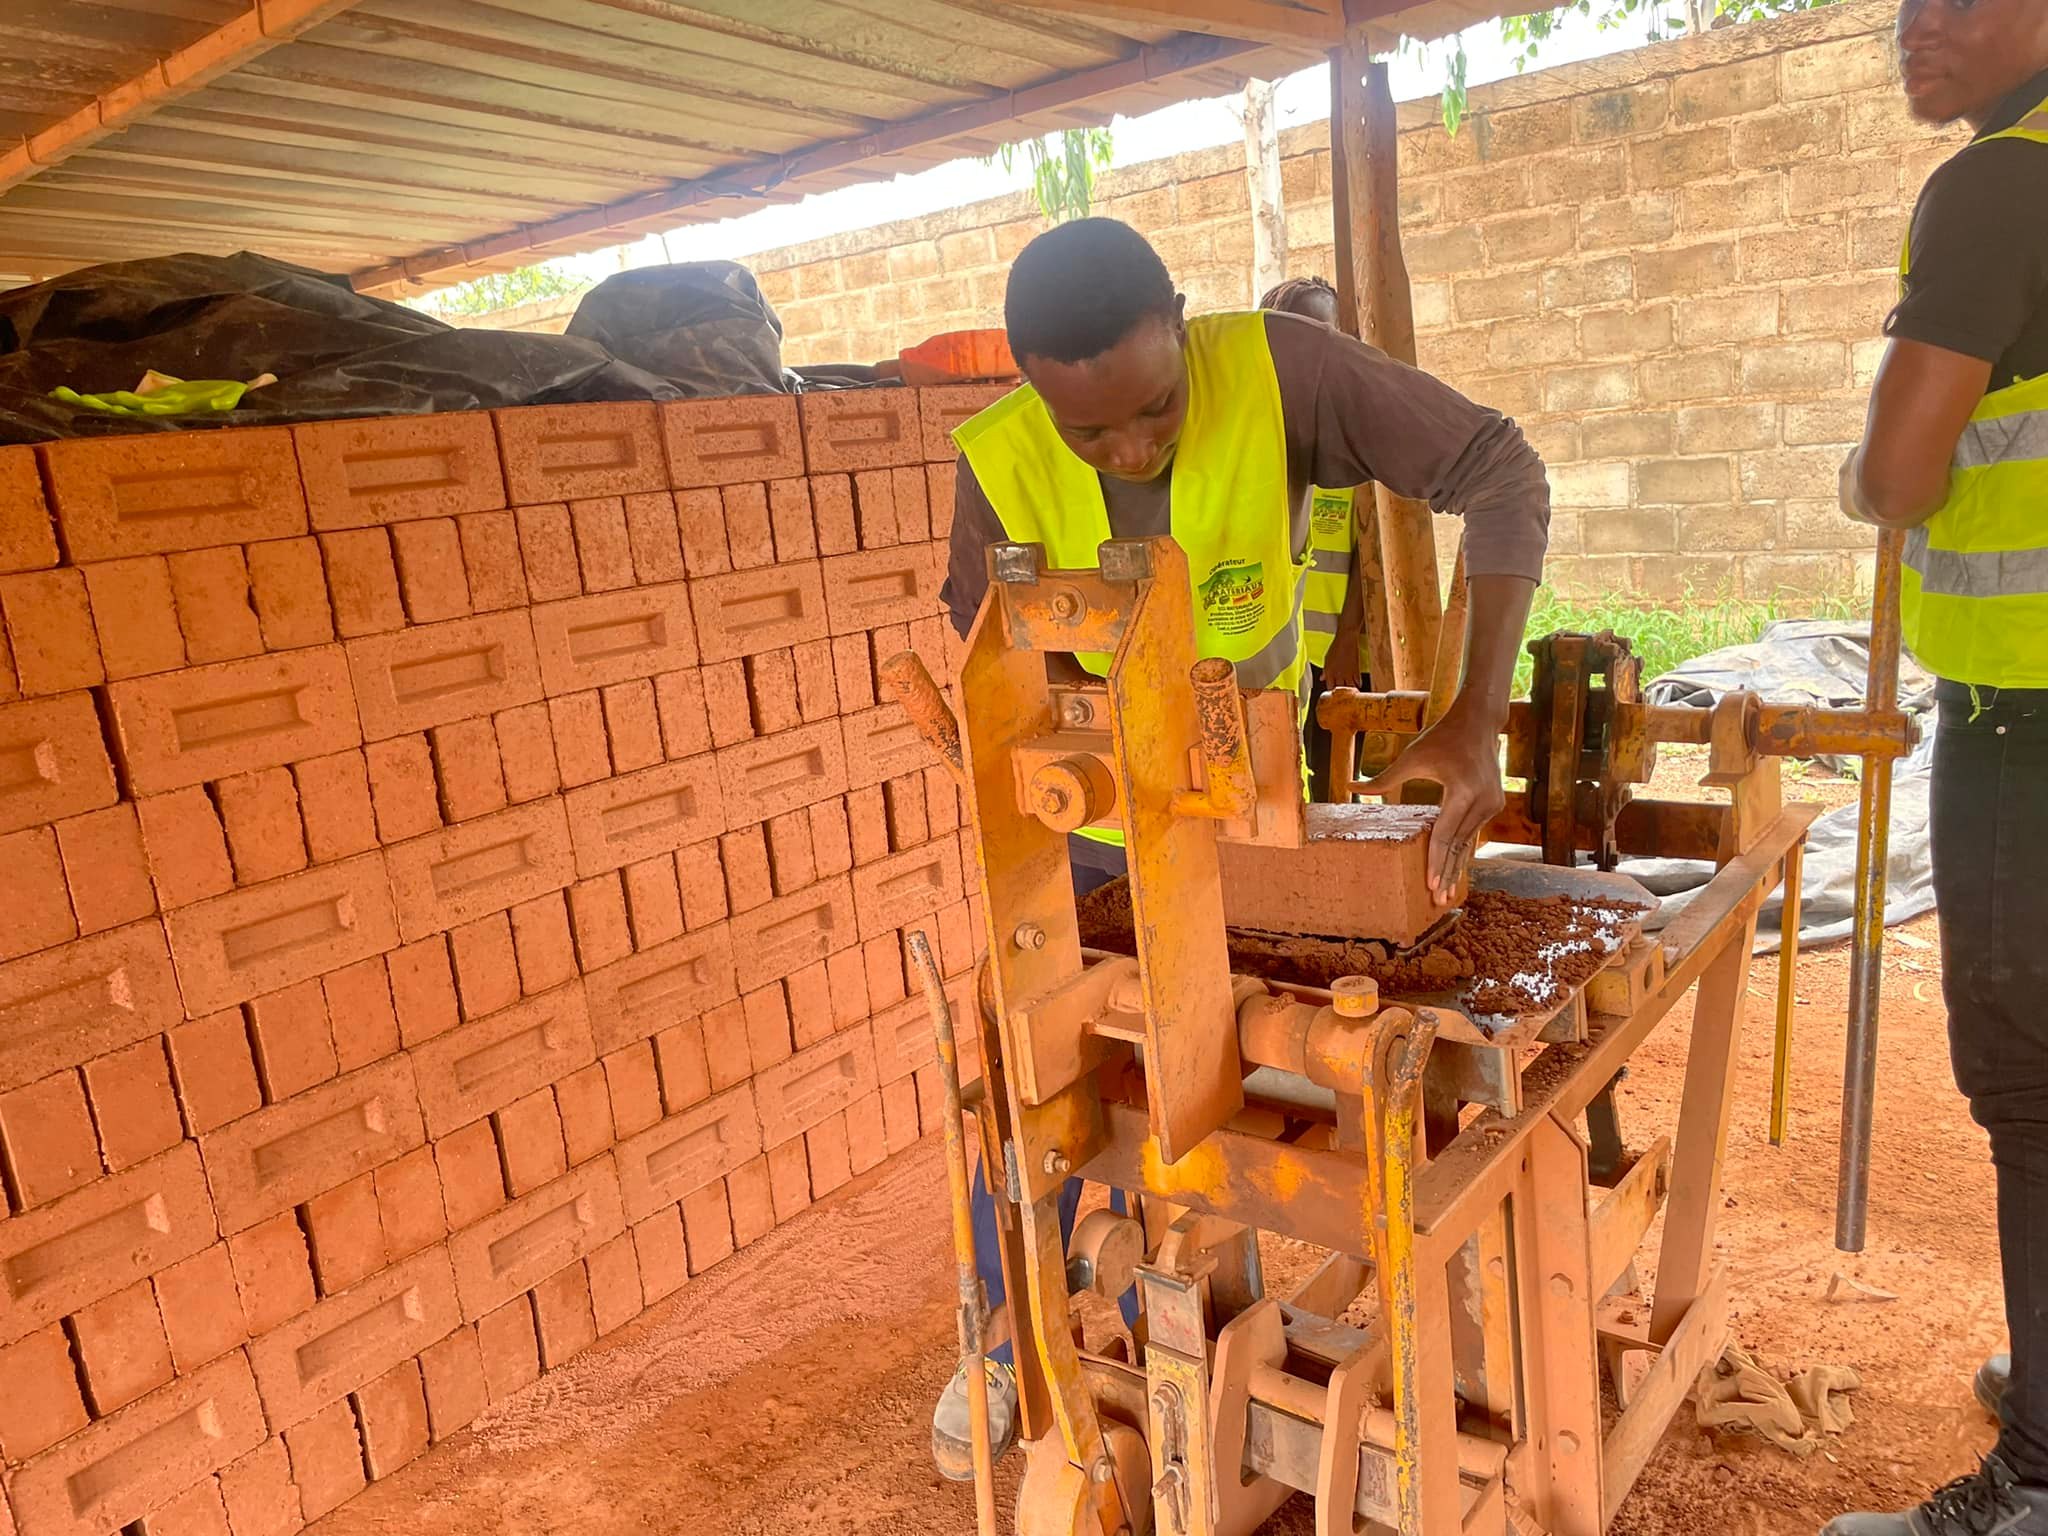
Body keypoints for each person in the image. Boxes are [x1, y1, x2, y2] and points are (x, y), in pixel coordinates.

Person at [928, 217, 1551, 1479]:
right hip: (1097, 847)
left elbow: (1499, 469)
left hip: (1261, 826)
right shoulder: (997, 458)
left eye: (1149, 411)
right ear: (1034, 392)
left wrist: (1475, 718)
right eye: (1086, 434)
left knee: (1285, 1083)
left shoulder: (1280, 370)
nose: (1128, 449)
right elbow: (987, 645)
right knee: (1041, 1073)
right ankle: (1015, 1333)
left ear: (1180, 316)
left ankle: (1348, 1310)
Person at [1826, 0, 2048, 1529]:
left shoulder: (1997, 183)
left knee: (2029, 1085)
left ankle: (2038, 1478)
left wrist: (1862, 467)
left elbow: (1901, 473)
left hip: (2029, 718)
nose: (1925, 24)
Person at [1259, 274, 1369, 799]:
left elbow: (1371, 555)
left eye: (1326, 334)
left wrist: (1347, 639)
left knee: (1333, 791)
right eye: (1299, 332)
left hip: (1333, 655)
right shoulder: (1257, 431)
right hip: (1277, 656)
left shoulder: (1354, 438)